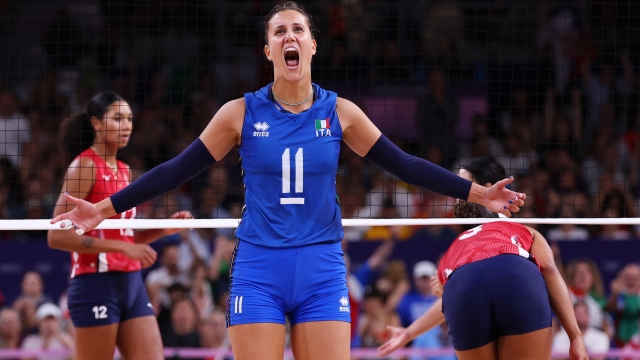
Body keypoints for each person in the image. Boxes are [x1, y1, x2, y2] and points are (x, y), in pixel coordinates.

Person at [50, 4, 525, 359]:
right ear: (269, 49)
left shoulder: (339, 111)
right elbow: (176, 169)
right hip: (259, 267)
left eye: (298, 29)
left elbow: (405, 165)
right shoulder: (239, 112)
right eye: (280, 31)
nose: (289, 36)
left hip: (321, 265)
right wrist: (104, 209)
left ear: (312, 45)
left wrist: (480, 193)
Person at [378, 157, 588, 360]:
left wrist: (410, 331)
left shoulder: (454, 249)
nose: (455, 188)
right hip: (516, 276)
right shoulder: (522, 231)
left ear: (487, 187)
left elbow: (452, 296)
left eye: (462, 182)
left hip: (462, 283)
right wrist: (575, 337)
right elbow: (549, 270)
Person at [47, 92, 191, 360]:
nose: (126, 125)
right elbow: (56, 236)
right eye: (117, 118)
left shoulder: (125, 170)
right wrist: (122, 250)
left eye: (129, 119)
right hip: (94, 283)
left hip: (131, 284)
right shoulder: (85, 166)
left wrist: (162, 231)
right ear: (96, 123)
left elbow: (125, 240)